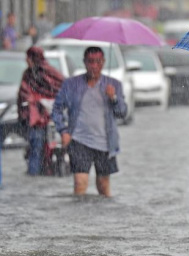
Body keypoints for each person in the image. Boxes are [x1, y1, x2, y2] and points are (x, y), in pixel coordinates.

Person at [51, 46, 127, 197]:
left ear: (103, 62)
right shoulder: (72, 84)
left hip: (105, 143)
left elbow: (122, 113)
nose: (94, 66)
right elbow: (57, 109)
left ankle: (103, 218)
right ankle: (78, 217)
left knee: (103, 186)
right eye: (91, 62)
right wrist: (63, 131)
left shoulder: (114, 85)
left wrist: (113, 98)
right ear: (84, 62)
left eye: (98, 62)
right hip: (79, 140)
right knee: (80, 183)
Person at [17, 46, 64, 176]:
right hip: (35, 119)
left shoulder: (49, 72)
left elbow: (63, 89)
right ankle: (35, 175)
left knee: (43, 149)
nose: (26, 60)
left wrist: (42, 99)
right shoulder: (28, 74)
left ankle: (40, 172)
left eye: (28, 57)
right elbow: (23, 94)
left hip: (51, 118)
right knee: (35, 148)